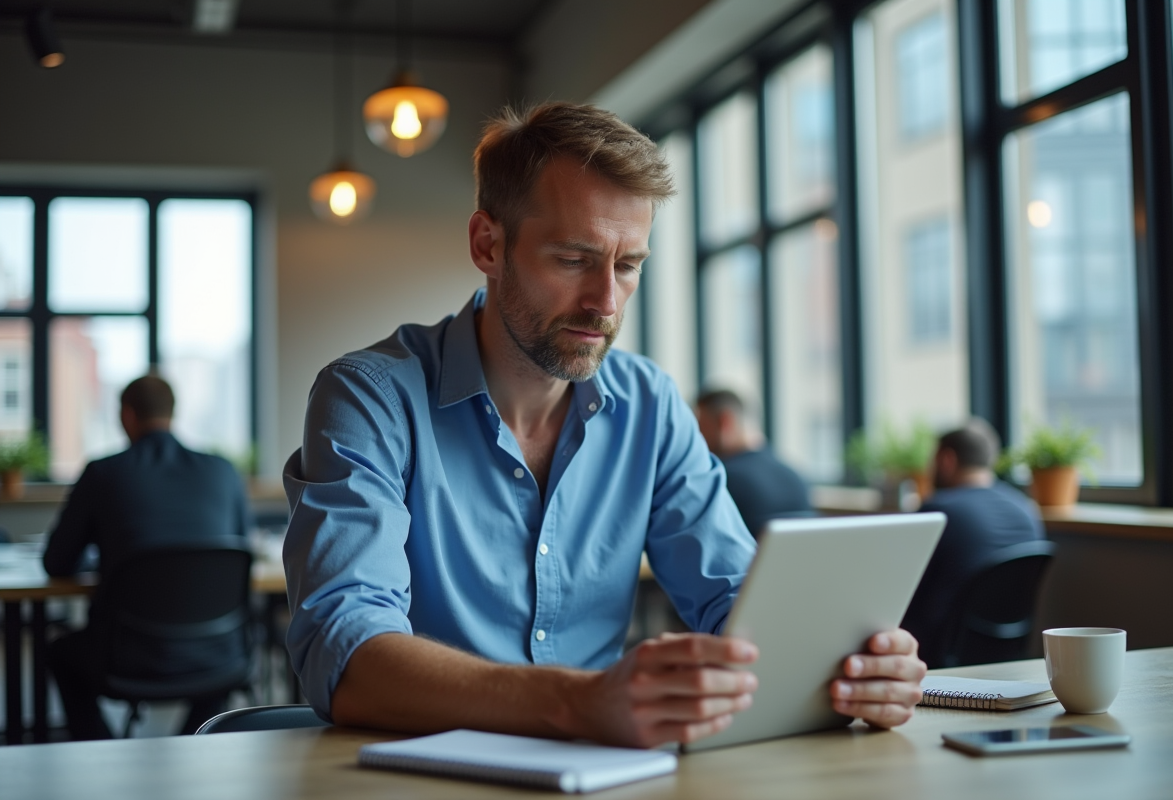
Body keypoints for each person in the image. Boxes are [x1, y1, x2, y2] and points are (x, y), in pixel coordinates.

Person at [283, 102, 926, 749]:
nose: (606, 303)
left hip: (609, 772)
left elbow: (737, 600)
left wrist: (848, 668)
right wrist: (579, 702)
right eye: (573, 260)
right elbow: (345, 654)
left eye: (628, 266)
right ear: (488, 244)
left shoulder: (650, 404)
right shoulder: (369, 397)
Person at [43, 375, 250, 739]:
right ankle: (191, 743)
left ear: (126, 415)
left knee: (62, 654)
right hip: (219, 653)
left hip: (125, 657)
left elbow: (57, 563)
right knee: (220, 667)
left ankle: (103, 749)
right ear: (173, 412)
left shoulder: (102, 472)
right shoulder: (223, 471)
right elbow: (240, 550)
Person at [900, 418, 1045, 667]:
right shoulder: (1027, 510)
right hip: (1007, 653)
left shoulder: (938, 512)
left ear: (947, 460)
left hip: (936, 653)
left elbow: (904, 588)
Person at [695, 388, 813, 538]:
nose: (699, 437)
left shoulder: (722, 479)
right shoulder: (795, 477)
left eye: (701, 425)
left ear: (724, 422)